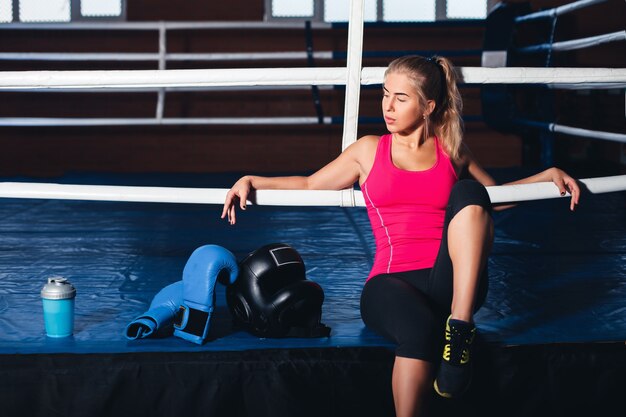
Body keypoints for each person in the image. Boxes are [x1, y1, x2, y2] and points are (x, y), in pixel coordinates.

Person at [221, 55, 580, 417]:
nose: (388, 106)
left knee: (469, 194)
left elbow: (494, 201)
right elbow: (311, 183)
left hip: (452, 282)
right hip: (390, 283)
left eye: (401, 98)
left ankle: (460, 325)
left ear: (428, 106)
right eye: (385, 94)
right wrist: (252, 180)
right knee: (420, 329)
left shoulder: (451, 150)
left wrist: (545, 177)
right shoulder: (369, 150)